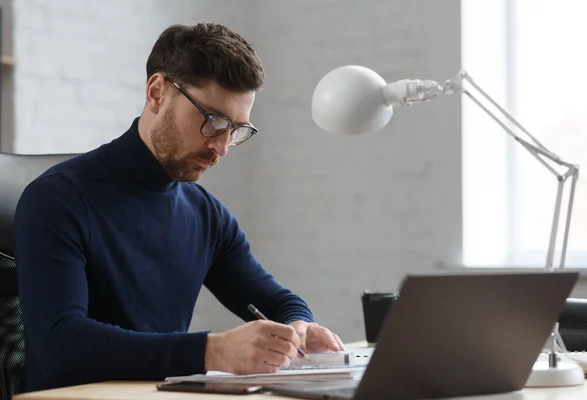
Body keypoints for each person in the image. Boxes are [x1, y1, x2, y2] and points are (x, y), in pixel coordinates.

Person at [14, 22, 345, 393]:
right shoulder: (57, 199)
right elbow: (60, 344)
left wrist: (299, 325)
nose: (220, 148)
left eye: (235, 130)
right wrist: (211, 351)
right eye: (213, 121)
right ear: (157, 92)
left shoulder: (206, 214)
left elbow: (279, 301)